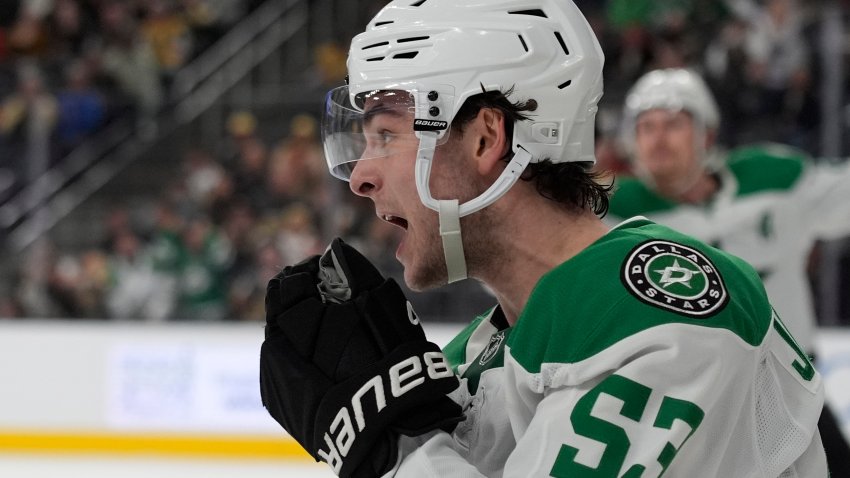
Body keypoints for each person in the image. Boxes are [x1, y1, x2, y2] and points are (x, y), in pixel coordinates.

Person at [259, 2, 828, 477]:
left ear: (485, 138)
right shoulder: (484, 356)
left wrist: (393, 450)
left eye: (387, 135)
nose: (360, 175)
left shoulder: (667, 313)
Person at [608, 67, 850, 475]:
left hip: (791, 393)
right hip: (687, 403)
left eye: (672, 124)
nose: (657, 137)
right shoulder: (614, 211)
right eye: (645, 127)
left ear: (706, 134)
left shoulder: (774, 177)